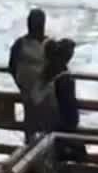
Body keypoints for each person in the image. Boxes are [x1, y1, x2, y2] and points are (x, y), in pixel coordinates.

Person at [41, 39, 86, 163]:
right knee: (78, 155)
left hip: (56, 120)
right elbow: (67, 102)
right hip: (64, 121)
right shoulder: (63, 77)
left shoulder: (51, 70)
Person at [9, 9, 49, 141]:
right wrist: (22, 84)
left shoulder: (48, 45)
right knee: (35, 128)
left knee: (38, 129)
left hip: (43, 95)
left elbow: (12, 66)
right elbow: (12, 66)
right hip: (33, 94)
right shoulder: (20, 44)